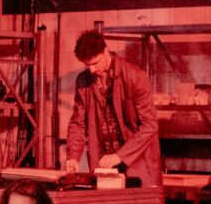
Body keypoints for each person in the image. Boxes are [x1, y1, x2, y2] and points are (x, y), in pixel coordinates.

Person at [63, 30, 162, 189]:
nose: (91, 70)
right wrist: (73, 156)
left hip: (138, 163)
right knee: (106, 203)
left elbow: (150, 125)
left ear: (106, 51)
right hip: (103, 165)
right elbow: (78, 123)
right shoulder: (84, 81)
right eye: (87, 65)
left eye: (95, 63)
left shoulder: (136, 77)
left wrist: (120, 156)